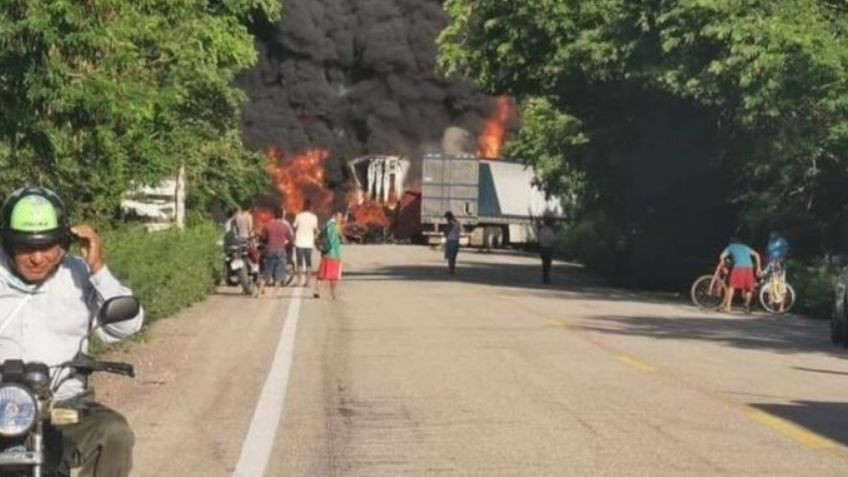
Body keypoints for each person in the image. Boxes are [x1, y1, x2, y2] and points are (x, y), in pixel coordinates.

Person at [0, 187, 144, 477]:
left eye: (47, 246)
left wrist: (98, 269)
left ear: (64, 242)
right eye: (26, 247)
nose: (38, 258)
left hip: (64, 407)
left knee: (114, 434)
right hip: (3, 404)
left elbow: (125, 326)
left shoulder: (79, 275)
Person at [717, 236, 763, 314]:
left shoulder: (730, 247)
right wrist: (759, 267)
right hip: (749, 267)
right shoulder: (746, 247)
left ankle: (728, 307)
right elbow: (757, 254)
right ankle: (747, 307)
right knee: (748, 288)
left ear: (731, 242)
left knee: (732, 286)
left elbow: (721, 256)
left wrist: (724, 266)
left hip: (738, 267)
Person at [257, 208, 293, 298]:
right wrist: (286, 247)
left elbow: (262, 238)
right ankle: (276, 293)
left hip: (270, 250)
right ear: (282, 216)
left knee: (266, 272)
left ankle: (260, 292)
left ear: (274, 215)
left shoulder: (268, 225)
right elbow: (291, 239)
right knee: (279, 273)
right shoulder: (285, 226)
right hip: (281, 251)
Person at [313, 211, 344, 299]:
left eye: (341, 217)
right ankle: (333, 294)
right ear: (334, 216)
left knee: (322, 273)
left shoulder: (326, 225)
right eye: (339, 217)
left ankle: (316, 290)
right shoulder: (336, 226)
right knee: (334, 276)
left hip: (325, 252)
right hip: (334, 253)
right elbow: (338, 239)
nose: (340, 219)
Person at [293, 199, 319, 287]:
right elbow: (315, 230)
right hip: (309, 243)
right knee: (308, 263)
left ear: (303, 206)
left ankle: (299, 281)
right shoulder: (314, 217)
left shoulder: (298, 216)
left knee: (299, 263)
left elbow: (295, 227)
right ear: (311, 207)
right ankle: (308, 282)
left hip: (299, 242)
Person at [539, 217, 556, 284]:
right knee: (548, 264)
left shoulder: (542, 230)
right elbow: (552, 240)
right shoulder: (550, 231)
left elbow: (539, 238)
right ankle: (547, 278)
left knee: (544, 264)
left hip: (542, 247)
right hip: (548, 248)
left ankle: (544, 278)